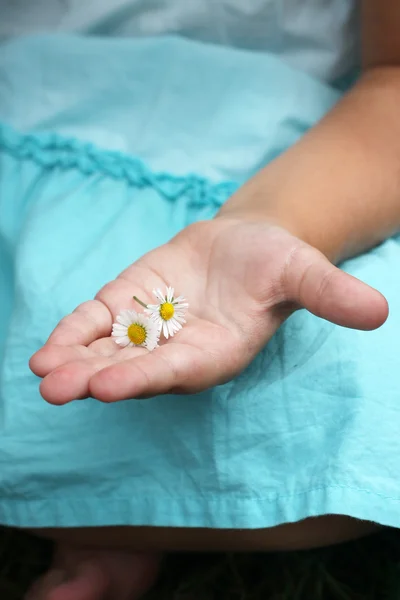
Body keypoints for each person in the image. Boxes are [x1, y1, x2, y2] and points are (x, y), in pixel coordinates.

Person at [1, 1, 400, 598]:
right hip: (36, 127)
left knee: (358, 428)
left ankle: (103, 509)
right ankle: (122, 513)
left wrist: (272, 222)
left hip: (306, 170)